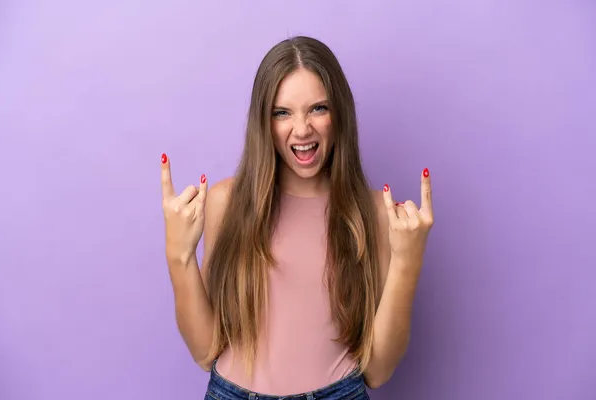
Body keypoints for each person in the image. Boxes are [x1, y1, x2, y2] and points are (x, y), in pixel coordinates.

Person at [160, 36, 434, 400]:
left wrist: (408, 259)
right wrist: (178, 255)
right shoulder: (226, 202)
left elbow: (378, 371)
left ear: (340, 115)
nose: (302, 129)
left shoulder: (374, 213)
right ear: (264, 121)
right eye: (282, 112)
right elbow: (205, 350)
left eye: (318, 108)